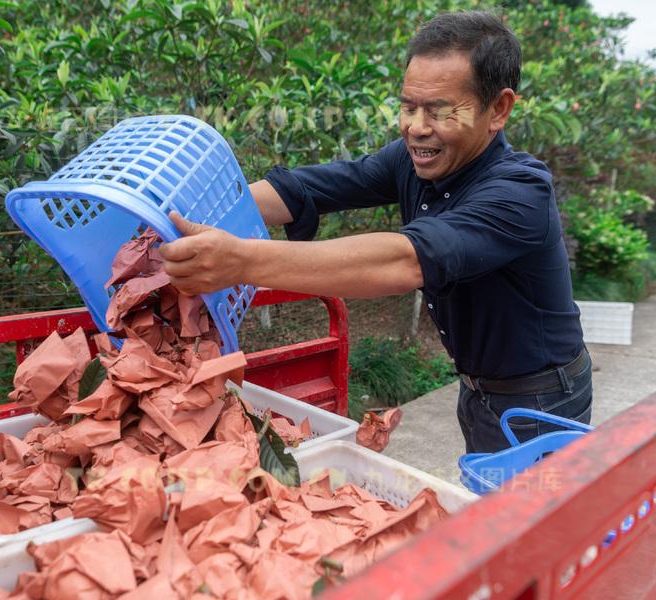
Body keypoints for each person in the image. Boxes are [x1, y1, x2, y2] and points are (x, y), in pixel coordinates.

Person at [159, 11, 592, 454]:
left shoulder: (521, 191)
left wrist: (243, 261)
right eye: (408, 107)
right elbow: (309, 187)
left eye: (439, 110)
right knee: (491, 505)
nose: (416, 127)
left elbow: (406, 259)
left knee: (529, 518)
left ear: (498, 109)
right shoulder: (416, 158)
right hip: (478, 386)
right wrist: (182, 213)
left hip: (540, 398)